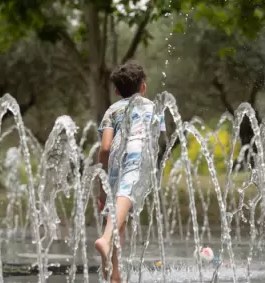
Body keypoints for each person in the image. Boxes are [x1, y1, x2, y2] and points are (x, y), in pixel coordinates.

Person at [94, 61, 166, 282]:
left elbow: (105, 147)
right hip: (138, 152)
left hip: (116, 155)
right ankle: (105, 239)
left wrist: (102, 188)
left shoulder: (112, 110)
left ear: (116, 90)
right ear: (143, 87)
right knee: (126, 195)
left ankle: (115, 276)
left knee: (119, 213)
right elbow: (159, 140)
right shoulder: (153, 107)